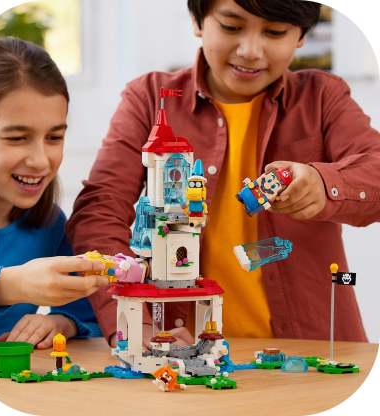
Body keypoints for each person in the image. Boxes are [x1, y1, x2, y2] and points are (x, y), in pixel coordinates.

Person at [67, 0, 380, 346]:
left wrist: (324, 183)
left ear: (301, 36)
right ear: (198, 20)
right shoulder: (151, 98)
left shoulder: (322, 97)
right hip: (179, 347)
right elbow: (99, 212)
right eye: (231, 26)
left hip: (313, 347)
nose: (250, 51)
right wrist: (131, 323)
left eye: (275, 32)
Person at [0, 37, 108, 348]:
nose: (41, 161)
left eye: (54, 137)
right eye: (17, 138)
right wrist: (5, 286)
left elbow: (89, 315)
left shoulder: (49, 225)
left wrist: (62, 322)